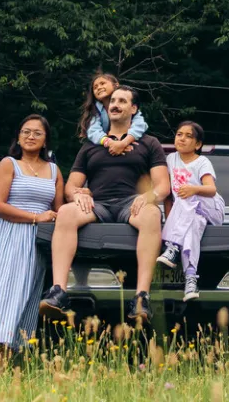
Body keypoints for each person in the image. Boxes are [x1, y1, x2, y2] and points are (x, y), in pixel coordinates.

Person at [40, 87, 168, 319]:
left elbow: (162, 186)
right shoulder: (91, 145)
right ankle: (58, 292)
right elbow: (71, 186)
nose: (115, 104)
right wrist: (77, 195)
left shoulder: (149, 143)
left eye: (122, 101)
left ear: (134, 109)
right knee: (67, 212)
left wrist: (147, 196)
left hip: (131, 204)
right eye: (112, 101)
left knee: (151, 214)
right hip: (97, 203)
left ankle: (141, 298)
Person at [0, 114, 65, 349]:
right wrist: (34, 217)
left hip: (37, 240)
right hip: (7, 234)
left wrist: (81, 196)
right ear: (18, 138)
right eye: (26, 132)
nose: (31, 136)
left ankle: (10, 353)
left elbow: (59, 210)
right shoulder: (9, 164)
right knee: (2, 291)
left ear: (46, 140)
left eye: (37, 133)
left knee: (26, 294)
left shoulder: (54, 171)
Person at [156, 120, 223, 300]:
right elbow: (170, 197)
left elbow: (211, 190)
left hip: (211, 207)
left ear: (198, 144)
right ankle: (191, 279)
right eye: (179, 134)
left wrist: (194, 189)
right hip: (191, 213)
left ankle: (173, 246)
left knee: (186, 195)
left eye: (189, 136)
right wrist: (173, 222)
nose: (182, 139)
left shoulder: (202, 161)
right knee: (192, 226)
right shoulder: (171, 159)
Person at [78, 72, 147, 155]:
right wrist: (111, 143)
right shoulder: (95, 111)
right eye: (95, 87)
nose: (99, 87)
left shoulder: (129, 108)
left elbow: (140, 125)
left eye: (102, 83)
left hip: (127, 139)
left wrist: (124, 143)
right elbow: (93, 131)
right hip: (104, 144)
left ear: (116, 85)